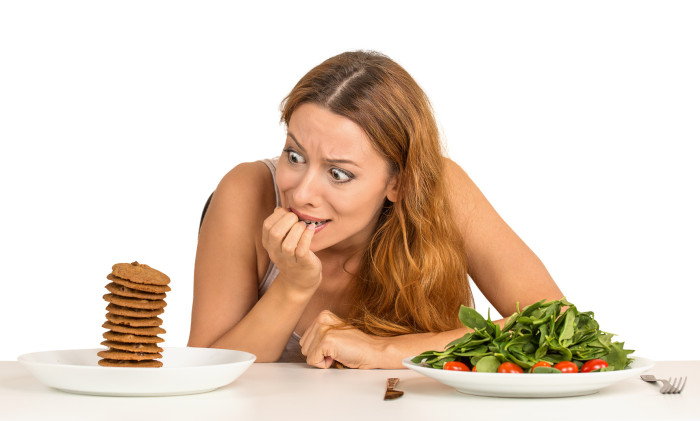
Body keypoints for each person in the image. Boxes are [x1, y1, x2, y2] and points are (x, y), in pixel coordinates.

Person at [187, 50, 564, 369]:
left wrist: (385, 350)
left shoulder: (440, 189)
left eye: (338, 173)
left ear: (398, 183)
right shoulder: (246, 191)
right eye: (295, 155)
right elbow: (206, 374)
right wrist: (292, 286)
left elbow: (558, 321)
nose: (301, 194)